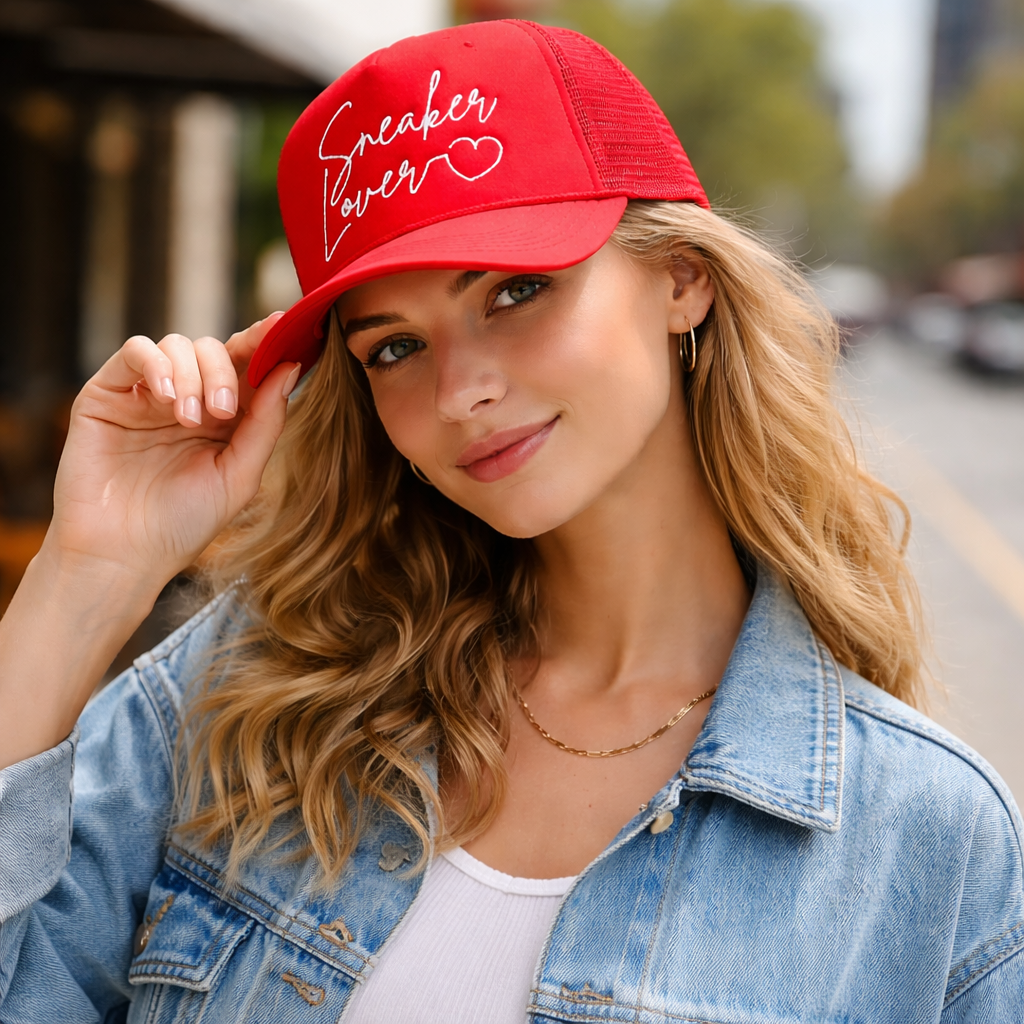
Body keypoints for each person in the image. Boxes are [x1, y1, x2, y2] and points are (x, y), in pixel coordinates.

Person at [0, 18, 1021, 1024]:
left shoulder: (920, 841)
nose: (459, 391)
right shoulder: (254, 694)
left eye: (515, 289)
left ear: (681, 279)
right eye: (393, 347)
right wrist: (87, 574)